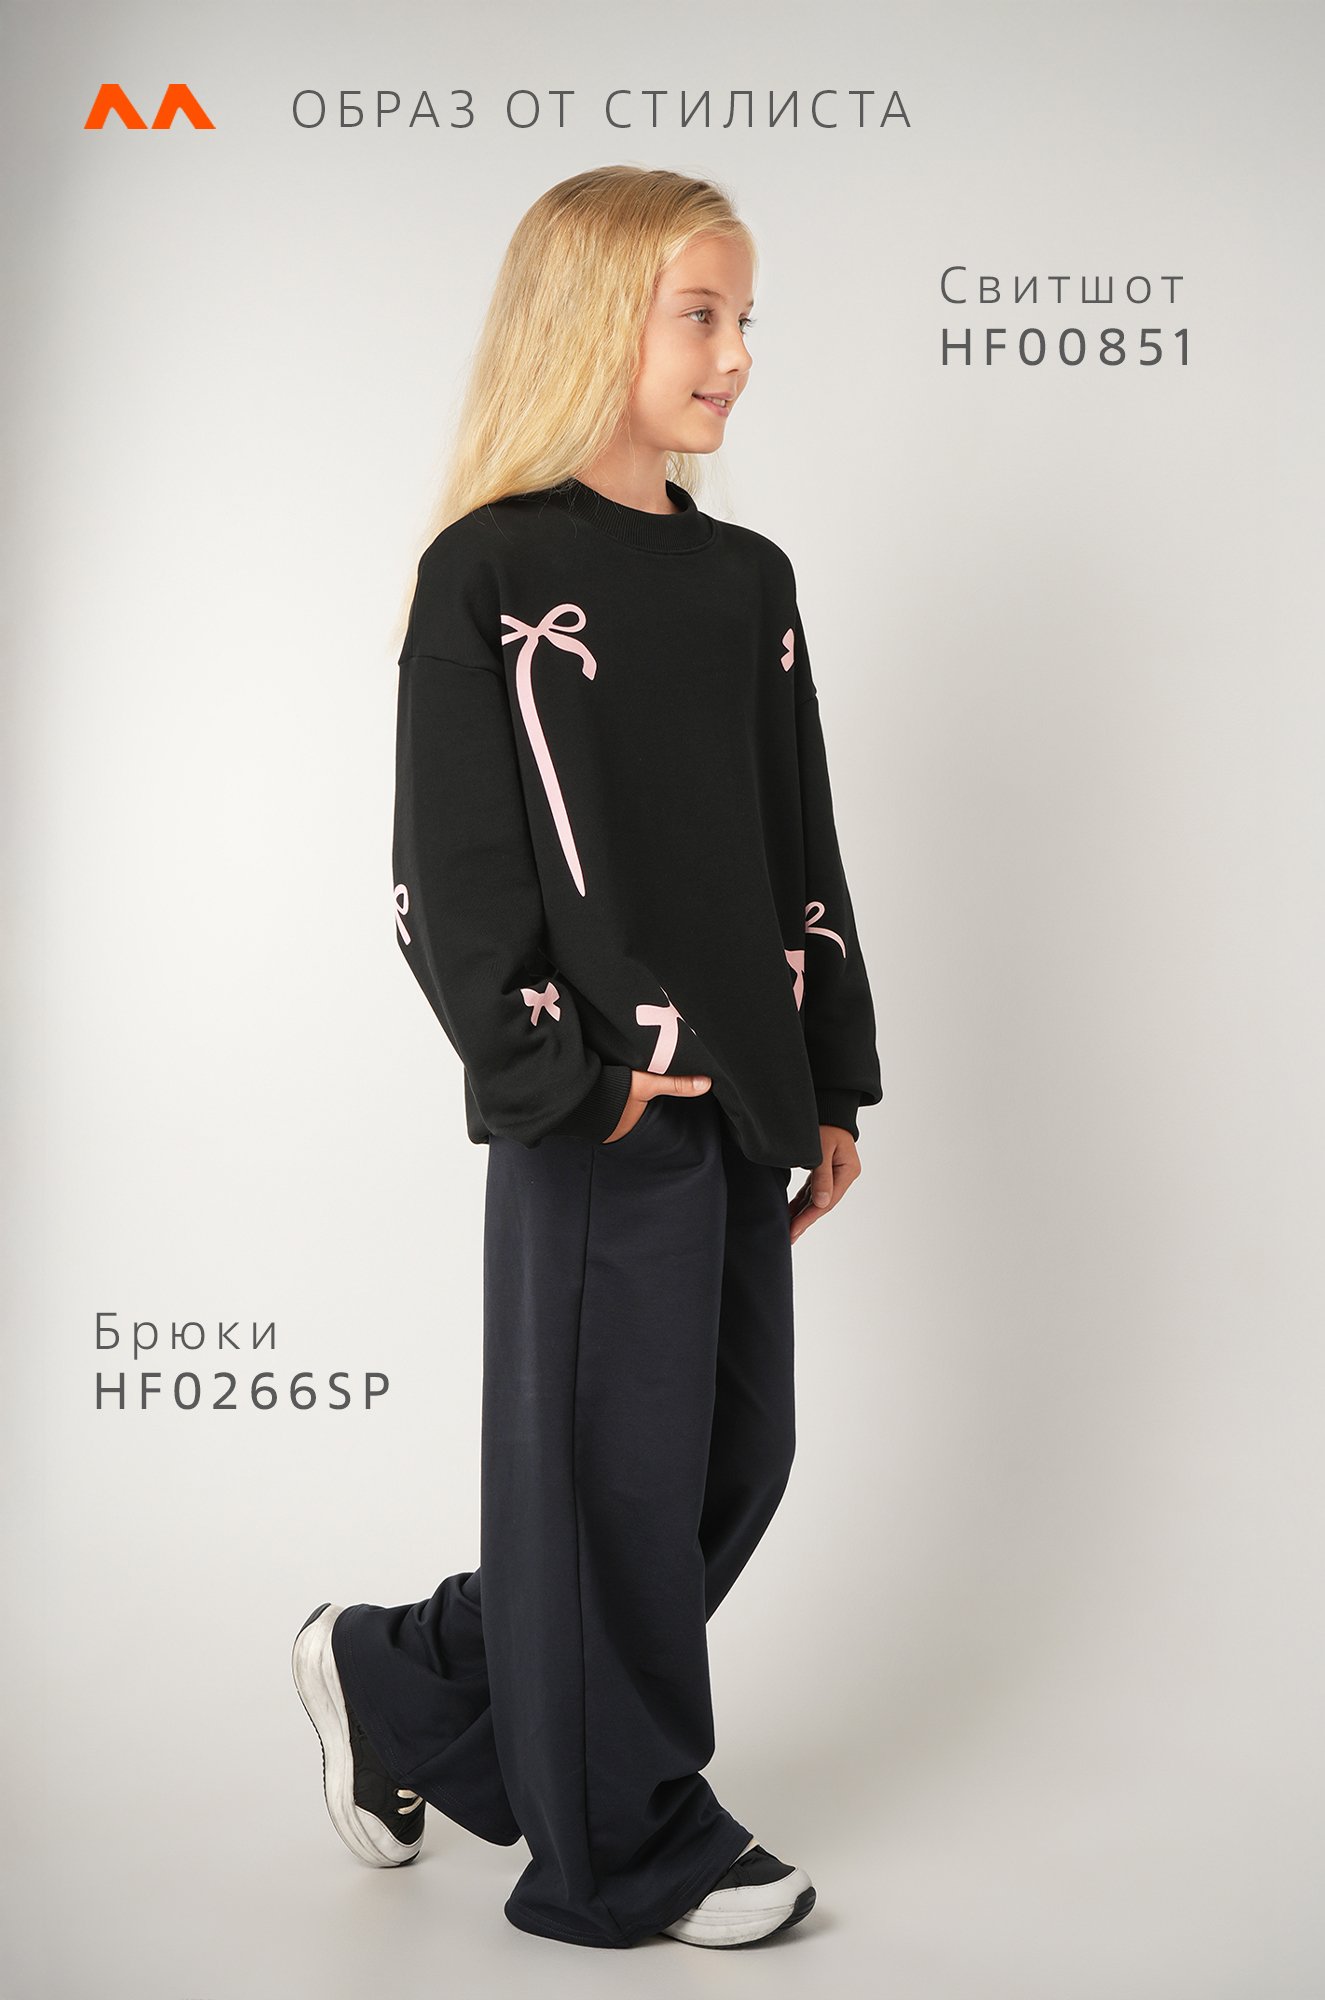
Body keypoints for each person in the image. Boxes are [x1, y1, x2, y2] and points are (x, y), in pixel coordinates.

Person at [291, 164, 883, 1952]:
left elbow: (796, 837)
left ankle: (405, 1676)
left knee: (727, 1464)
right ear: (590, 322)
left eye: (744, 317)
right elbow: (449, 873)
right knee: (608, 1486)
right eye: (699, 315)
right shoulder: (491, 571)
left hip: (745, 1094)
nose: (736, 353)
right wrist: (568, 1076)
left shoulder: (748, 579)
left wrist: (829, 1075)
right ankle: (621, 1844)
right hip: (599, 1103)